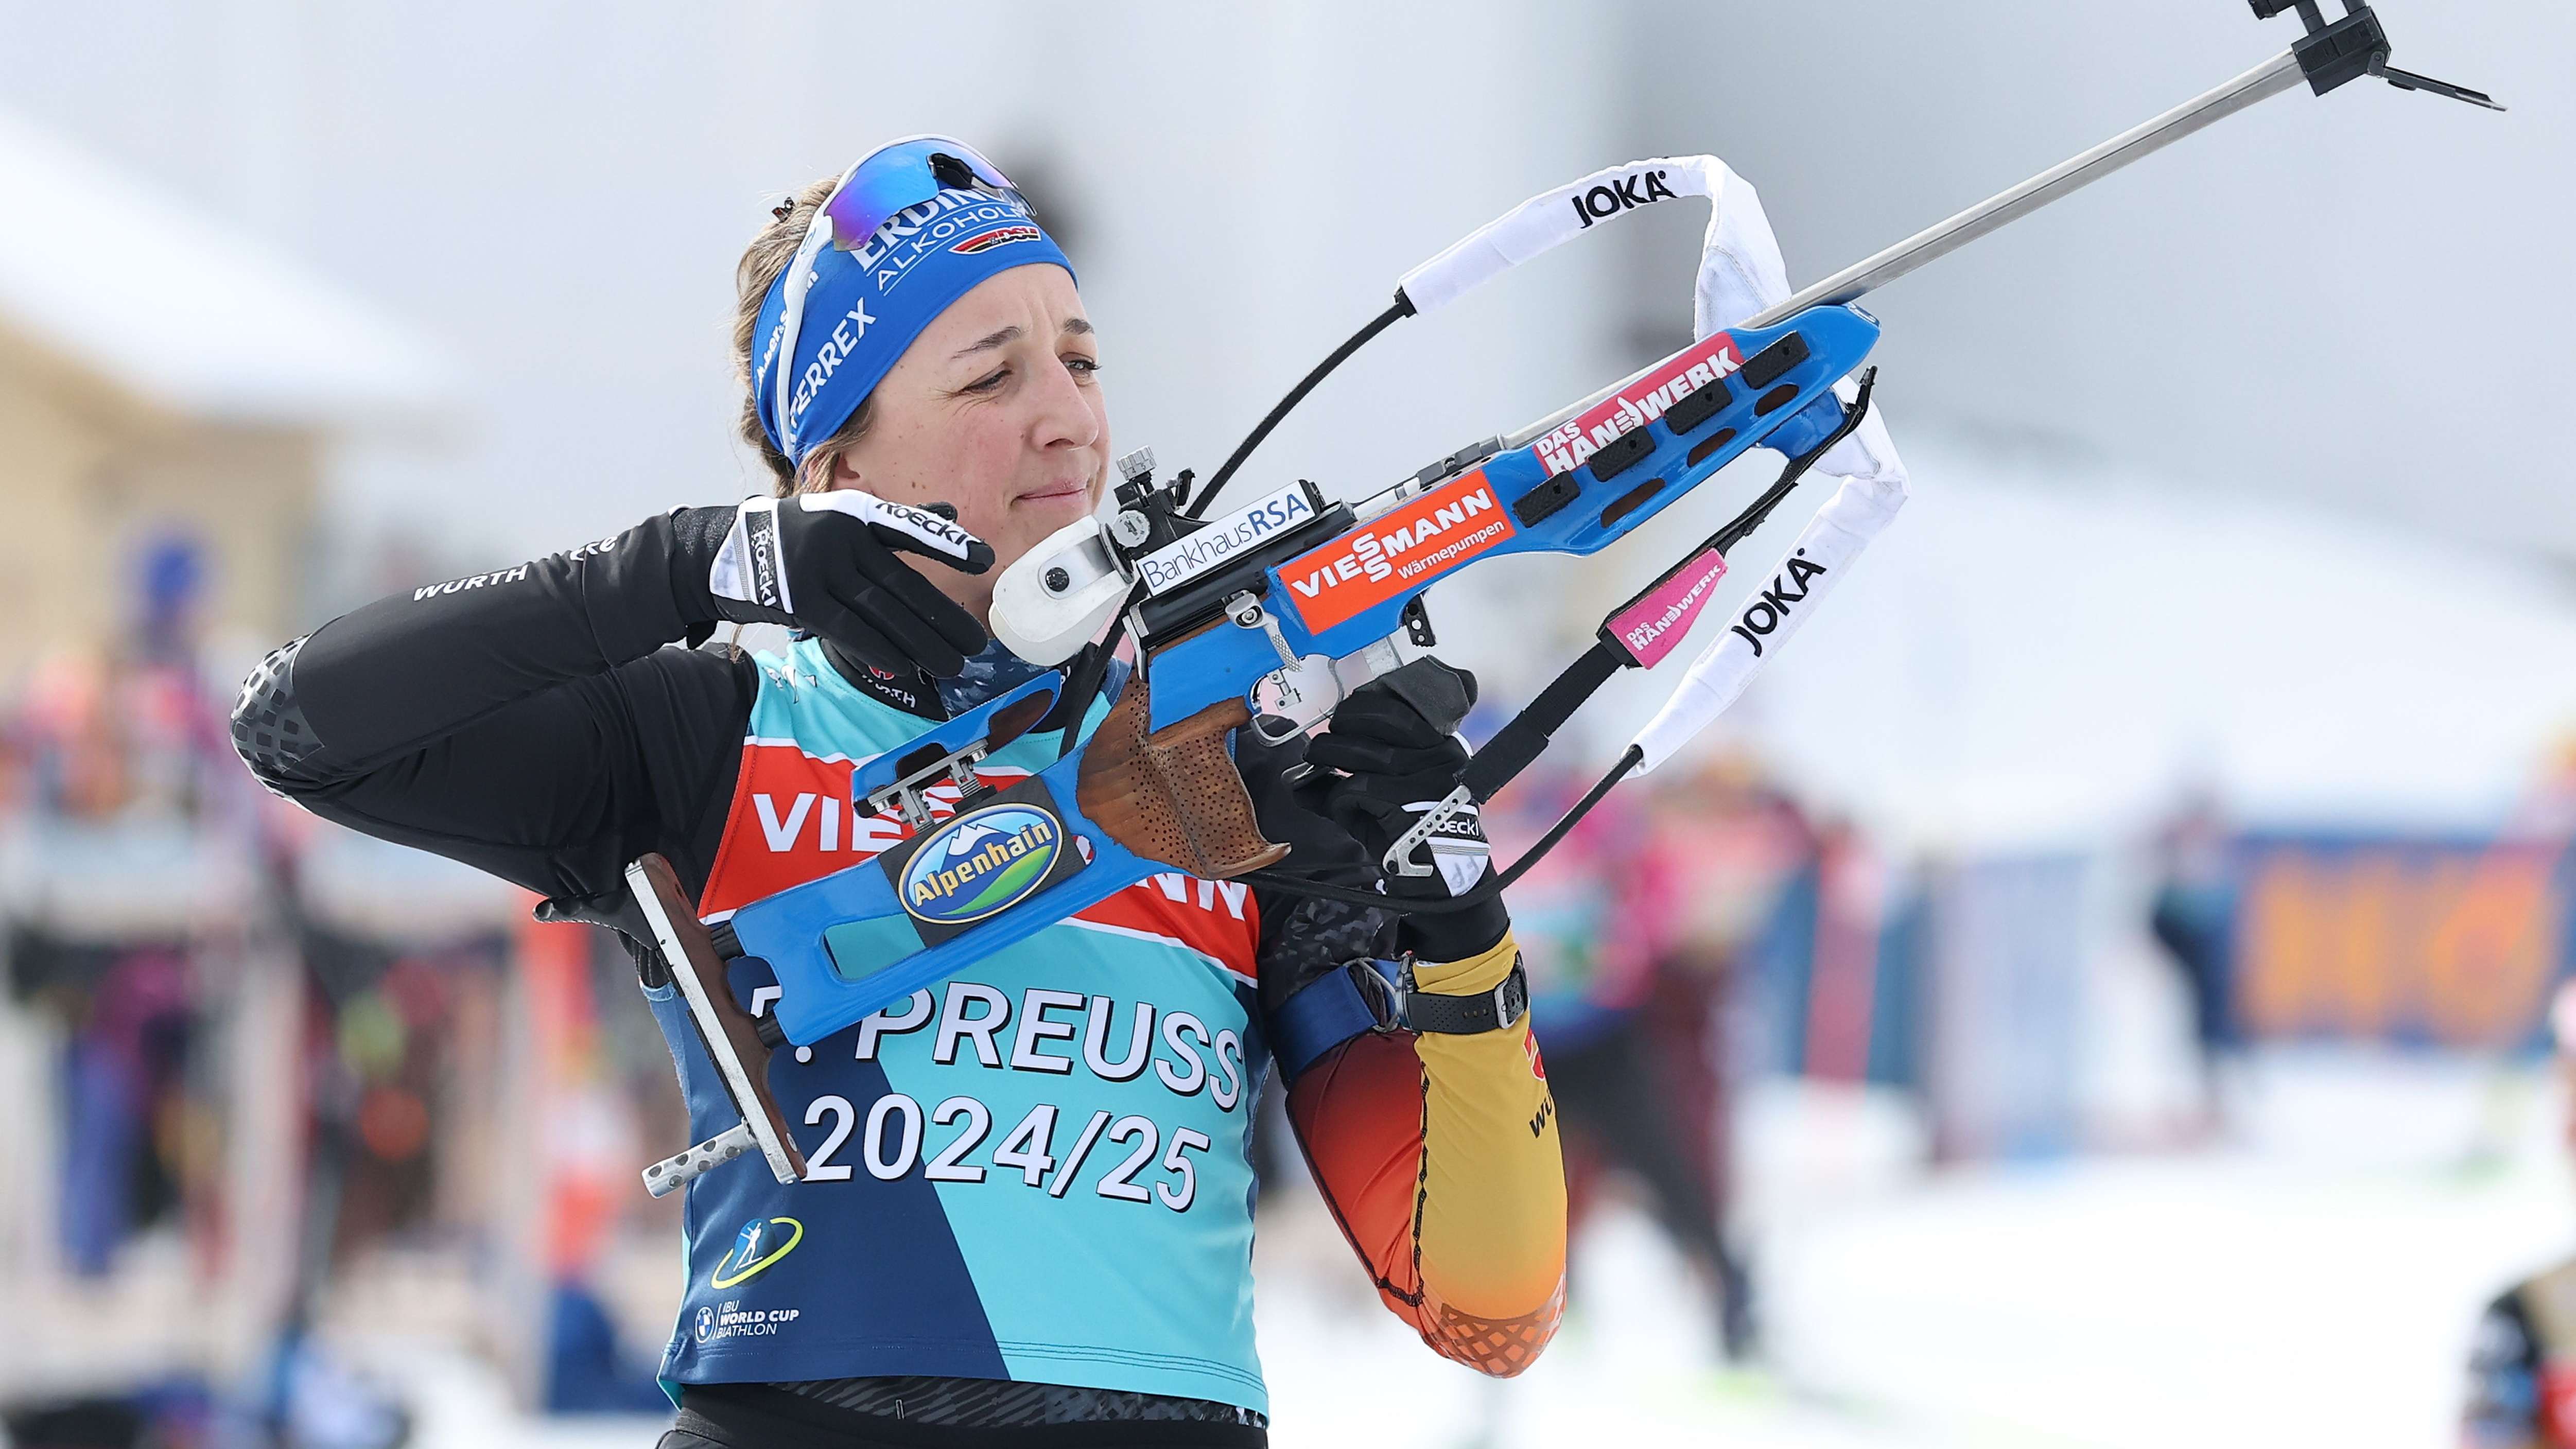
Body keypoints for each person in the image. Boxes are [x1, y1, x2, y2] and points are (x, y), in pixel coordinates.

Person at [229, 136, 1564, 1448]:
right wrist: (691, 565)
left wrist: (1455, 925)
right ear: (838, 468)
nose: (1070, 416)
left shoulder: (1227, 750)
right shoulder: (725, 736)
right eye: (992, 375)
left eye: (1081, 360)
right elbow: (300, 721)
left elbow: (1490, 1308)